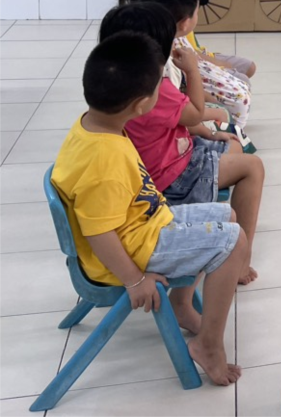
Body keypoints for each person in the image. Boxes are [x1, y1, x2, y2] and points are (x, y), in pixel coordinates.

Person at [51, 31, 248, 387]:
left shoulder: (94, 124)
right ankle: (208, 345)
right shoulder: (104, 161)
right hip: (137, 247)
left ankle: (182, 304)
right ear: (142, 104)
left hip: (147, 224)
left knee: (229, 217)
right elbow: (98, 230)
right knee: (233, 241)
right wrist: (135, 280)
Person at [99, 2, 264, 284]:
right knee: (253, 167)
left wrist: (208, 133)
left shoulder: (115, 84)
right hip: (173, 176)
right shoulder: (154, 87)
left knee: (235, 146)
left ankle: (216, 217)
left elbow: (177, 119)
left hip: (171, 156)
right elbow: (194, 112)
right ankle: (240, 259)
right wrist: (192, 71)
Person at [140, 0, 254, 135]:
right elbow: (190, 114)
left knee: (223, 110)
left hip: (178, 112)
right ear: (184, 23)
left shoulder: (161, 43)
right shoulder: (165, 64)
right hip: (174, 129)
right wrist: (192, 70)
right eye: (197, 13)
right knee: (226, 124)